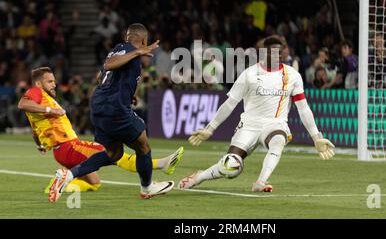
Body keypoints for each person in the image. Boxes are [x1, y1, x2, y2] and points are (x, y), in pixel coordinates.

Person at [179, 36, 335, 192]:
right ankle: (199, 177)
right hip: (249, 125)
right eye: (273, 52)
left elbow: (303, 108)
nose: (277, 56)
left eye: (279, 52)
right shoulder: (249, 74)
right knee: (231, 167)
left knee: (278, 140)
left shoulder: (292, 76)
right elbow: (229, 104)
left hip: (275, 124)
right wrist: (210, 128)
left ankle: (260, 182)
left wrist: (316, 137)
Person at [48, 24, 175, 202]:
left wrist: (129, 95)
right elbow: (109, 65)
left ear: (127, 37)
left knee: (112, 154)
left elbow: (102, 77)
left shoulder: (119, 49)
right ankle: (147, 188)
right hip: (113, 108)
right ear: (144, 40)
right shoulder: (129, 51)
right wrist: (138, 52)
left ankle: (68, 176)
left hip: (100, 105)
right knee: (143, 144)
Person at [17, 67, 184, 193]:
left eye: (54, 81)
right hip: (69, 147)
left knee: (94, 183)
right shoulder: (36, 92)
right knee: (112, 155)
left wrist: (40, 145)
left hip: (60, 152)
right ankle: (162, 164)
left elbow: (34, 131)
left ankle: (58, 184)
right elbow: (22, 104)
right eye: (50, 81)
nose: (54, 84)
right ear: (39, 83)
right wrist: (51, 111)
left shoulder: (41, 105)